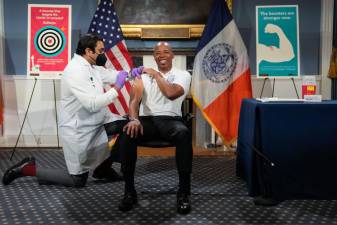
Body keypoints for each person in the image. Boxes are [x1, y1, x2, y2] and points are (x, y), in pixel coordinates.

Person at [2, 33, 143, 188]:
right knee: (77, 180)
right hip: (78, 129)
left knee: (129, 126)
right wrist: (117, 87)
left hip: (97, 120)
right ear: (89, 52)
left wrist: (131, 73)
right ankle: (27, 169)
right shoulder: (75, 71)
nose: (104, 54)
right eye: (101, 51)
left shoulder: (91, 66)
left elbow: (112, 75)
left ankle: (103, 169)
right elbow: (92, 104)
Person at [117, 41, 193, 214]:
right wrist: (134, 119)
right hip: (146, 121)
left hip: (170, 120)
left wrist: (156, 75)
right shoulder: (141, 77)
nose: (161, 55)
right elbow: (134, 101)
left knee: (183, 133)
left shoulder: (183, 74)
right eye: (158, 53)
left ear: (173, 55)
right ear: (154, 56)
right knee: (128, 133)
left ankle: (183, 193)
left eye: (166, 52)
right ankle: (129, 191)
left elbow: (172, 93)